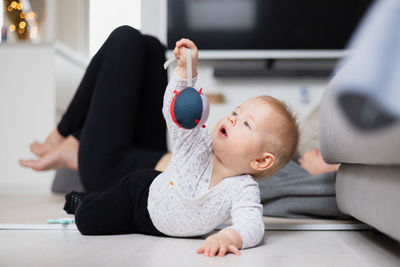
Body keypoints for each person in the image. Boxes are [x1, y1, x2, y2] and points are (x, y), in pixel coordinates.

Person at [19, 26, 300, 257]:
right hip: (141, 191)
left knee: (127, 40)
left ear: (261, 161)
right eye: (237, 112)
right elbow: (175, 113)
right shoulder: (199, 143)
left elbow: (252, 224)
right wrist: (186, 73)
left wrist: (231, 235)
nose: (234, 119)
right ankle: (81, 199)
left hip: (139, 195)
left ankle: (78, 174)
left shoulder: (243, 189)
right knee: (88, 220)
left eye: (246, 124)